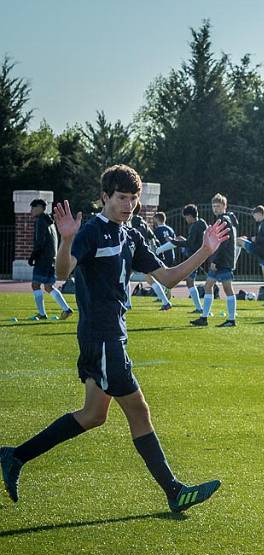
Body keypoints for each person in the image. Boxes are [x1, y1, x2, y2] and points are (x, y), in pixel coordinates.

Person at [0, 164, 229, 512]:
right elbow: (63, 273)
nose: (128, 205)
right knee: (139, 410)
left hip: (108, 337)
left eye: (133, 199)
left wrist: (205, 251)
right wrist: (66, 240)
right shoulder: (91, 231)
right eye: (122, 198)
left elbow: (167, 278)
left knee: (94, 415)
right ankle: (174, 491)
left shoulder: (131, 235)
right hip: (103, 337)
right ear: (105, 197)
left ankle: (15, 455)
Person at [191, 194, 238, 327]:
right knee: (208, 286)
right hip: (220, 260)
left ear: (224, 206)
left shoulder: (224, 220)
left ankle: (231, 319)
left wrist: (215, 261)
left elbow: (223, 244)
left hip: (223, 262)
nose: (215, 208)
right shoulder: (223, 219)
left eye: (218, 206)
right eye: (214, 206)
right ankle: (204, 317)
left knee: (227, 289)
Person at [27, 198, 74, 321]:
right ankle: (66, 309)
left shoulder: (40, 221)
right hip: (52, 259)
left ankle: (42, 314)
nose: (31, 210)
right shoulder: (50, 222)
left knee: (35, 285)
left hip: (43, 259)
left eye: (33, 207)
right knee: (48, 286)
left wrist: (33, 255)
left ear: (40, 208)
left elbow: (40, 241)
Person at [129, 211, 172, 311]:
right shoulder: (144, 226)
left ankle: (166, 302)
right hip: (146, 254)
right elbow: (154, 239)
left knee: (148, 279)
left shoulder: (133, 225)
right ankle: (127, 303)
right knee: (130, 277)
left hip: (137, 254)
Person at [172, 204, 208, 313]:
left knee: (191, 281)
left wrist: (174, 242)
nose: (186, 220)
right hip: (203, 254)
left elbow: (190, 243)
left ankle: (200, 308)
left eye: (186, 217)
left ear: (190, 216)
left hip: (196, 256)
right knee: (200, 281)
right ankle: (200, 308)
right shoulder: (202, 223)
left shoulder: (194, 226)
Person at [237, 204, 264, 306]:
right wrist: (249, 239)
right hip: (263, 251)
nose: (254, 218)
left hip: (261, 251)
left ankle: (232, 263)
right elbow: (261, 238)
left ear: (259, 214)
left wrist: (254, 239)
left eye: (255, 215)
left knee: (239, 241)